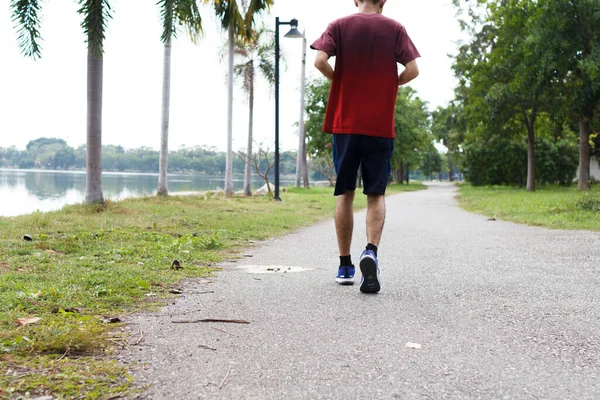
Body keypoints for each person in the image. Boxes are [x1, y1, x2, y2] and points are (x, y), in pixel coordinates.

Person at [311, 0, 420, 293]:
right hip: (379, 125)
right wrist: (389, 84)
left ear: (356, 0)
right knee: (376, 193)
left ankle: (345, 265)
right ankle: (370, 251)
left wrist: (341, 80)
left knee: (345, 193)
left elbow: (320, 61)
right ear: (383, 1)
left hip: (346, 124)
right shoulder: (395, 28)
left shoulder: (339, 26)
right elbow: (413, 69)